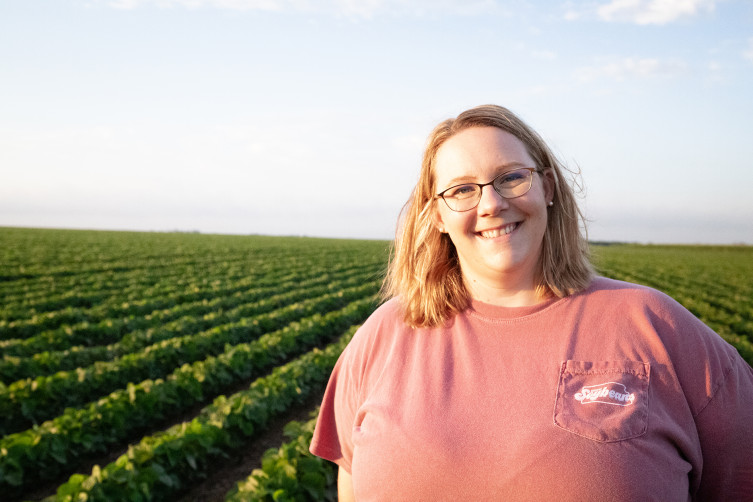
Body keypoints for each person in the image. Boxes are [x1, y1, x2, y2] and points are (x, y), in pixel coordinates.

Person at [309, 104, 753, 501]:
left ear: (548, 186)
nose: (492, 203)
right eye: (462, 189)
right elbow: (350, 479)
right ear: (437, 215)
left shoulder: (656, 326)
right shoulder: (382, 337)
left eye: (511, 178)